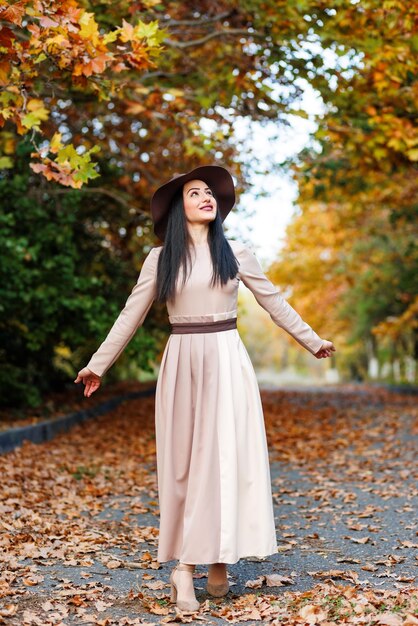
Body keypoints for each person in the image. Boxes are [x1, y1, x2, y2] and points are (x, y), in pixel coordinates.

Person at [75, 165, 336, 613]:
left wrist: (312, 341)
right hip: (182, 361)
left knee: (225, 460)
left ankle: (218, 559)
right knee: (185, 466)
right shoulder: (160, 259)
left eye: (210, 193)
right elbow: (129, 316)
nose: (206, 197)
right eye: (195, 193)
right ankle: (183, 568)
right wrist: (98, 364)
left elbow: (274, 302)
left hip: (227, 360)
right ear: (180, 207)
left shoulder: (237, 253)